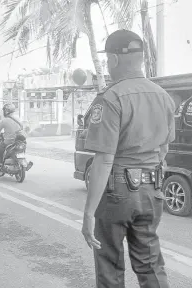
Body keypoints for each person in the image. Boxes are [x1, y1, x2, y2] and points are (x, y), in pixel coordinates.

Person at [81, 30, 175, 288]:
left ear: (112, 60)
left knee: (109, 264)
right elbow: (164, 149)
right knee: (150, 264)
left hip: (117, 192)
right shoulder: (163, 96)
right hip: (151, 190)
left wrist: (88, 214)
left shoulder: (110, 98)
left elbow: (103, 160)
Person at [0, 104, 22, 180]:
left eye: (4, 110)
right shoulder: (18, 118)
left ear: (6, 111)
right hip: (19, 141)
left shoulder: (4, 120)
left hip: (8, 142)